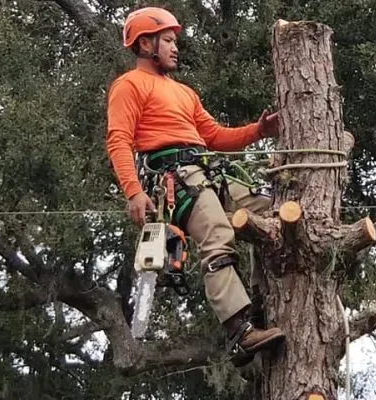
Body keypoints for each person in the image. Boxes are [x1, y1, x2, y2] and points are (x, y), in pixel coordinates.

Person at [106, 6, 285, 366]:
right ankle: (240, 331)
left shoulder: (184, 92)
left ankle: (261, 308)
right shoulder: (129, 85)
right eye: (168, 40)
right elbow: (118, 140)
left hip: (209, 170)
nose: (176, 47)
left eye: (175, 41)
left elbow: (215, 135)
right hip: (177, 177)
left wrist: (258, 131)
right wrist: (133, 191)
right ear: (145, 45)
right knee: (217, 233)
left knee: (271, 213)